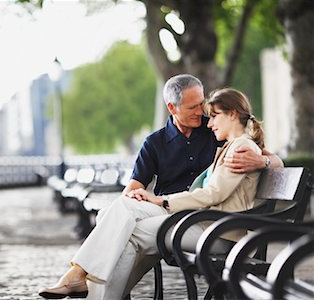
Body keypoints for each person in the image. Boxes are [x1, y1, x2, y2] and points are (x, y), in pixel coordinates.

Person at [38, 75, 283, 299]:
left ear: (229, 114)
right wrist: (144, 202)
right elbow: (133, 189)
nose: (203, 114)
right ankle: (81, 276)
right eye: (193, 107)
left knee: (125, 230)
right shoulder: (155, 142)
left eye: (203, 105)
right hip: (182, 214)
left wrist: (262, 161)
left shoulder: (223, 136)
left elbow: (269, 161)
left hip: (200, 218)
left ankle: (82, 279)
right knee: (118, 215)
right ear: (172, 108)